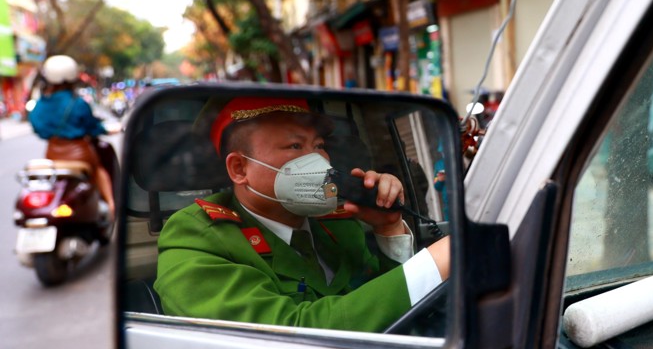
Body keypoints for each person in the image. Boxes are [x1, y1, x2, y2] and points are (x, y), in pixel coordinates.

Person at [153, 96, 451, 332]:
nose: (317, 160)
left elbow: (395, 310)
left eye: (319, 146)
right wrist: (436, 262)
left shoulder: (340, 226)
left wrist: (389, 228)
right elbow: (290, 335)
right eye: (295, 146)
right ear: (239, 169)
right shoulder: (196, 236)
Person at [28, 55, 116, 217]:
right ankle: (112, 206)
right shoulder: (78, 103)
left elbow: (38, 128)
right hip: (81, 154)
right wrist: (102, 130)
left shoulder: (40, 105)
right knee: (99, 171)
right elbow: (93, 127)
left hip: (52, 155)